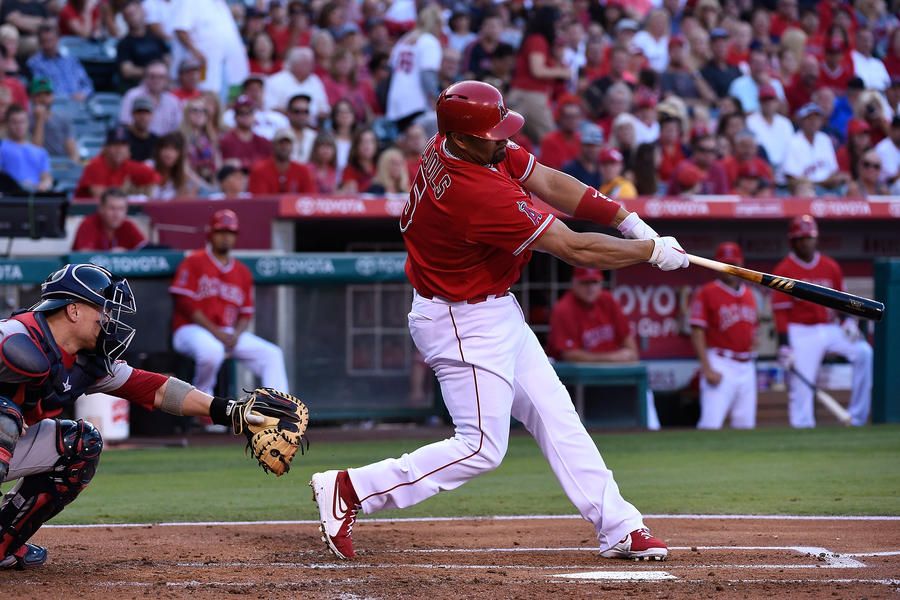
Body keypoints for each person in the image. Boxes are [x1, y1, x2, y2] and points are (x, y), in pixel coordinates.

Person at [309, 80, 689, 562]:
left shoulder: (462, 144)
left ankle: (618, 525)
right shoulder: (474, 193)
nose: (503, 139)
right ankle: (352, 488)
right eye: (493, 133)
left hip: (491, 307)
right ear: (463, 137)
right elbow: (573, 247)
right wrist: (651, 253)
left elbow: (550, 181)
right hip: (460, 320)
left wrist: (629, 221)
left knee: (557, 416)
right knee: (482, 447)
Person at [0, 262, 272, 569]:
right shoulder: (14, 336)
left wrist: (230, 412)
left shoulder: (87, 361)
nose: (109, 319)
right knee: (4, 417)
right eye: (103, 310)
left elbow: (155, 389)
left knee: (81, 444)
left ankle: (2, 546)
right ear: (73, 311)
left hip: (10, 449)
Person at [170, 209, 289, 399]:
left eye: (230, 233)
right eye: (221, 232)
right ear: (211, 233)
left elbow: (246, 314)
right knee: (212, 351)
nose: (226, 237)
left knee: (272, 354)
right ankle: (200, 401)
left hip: (228, 333)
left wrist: (236, 334)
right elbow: (186, 304)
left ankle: (278, 409)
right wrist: (216, 333)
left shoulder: (242, 272)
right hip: (190, 330)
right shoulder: (193, 261)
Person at [773, 215, 872, 428]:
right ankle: (802, 425)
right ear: (793, 241)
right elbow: (780, 312)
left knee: (864, 352)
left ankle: (857, 417)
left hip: (830, 327)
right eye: (801, 239)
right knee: (802, 383)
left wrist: (848, 322)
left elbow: (842, 301)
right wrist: (784, 344)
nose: (806, 242)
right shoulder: (784, 270)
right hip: (801, 331)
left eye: (809, 237)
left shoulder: (830, 266)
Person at [689, 242, 759, 430]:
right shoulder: (707, 292)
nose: (729, 269)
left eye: (733, 264)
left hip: (746, 365)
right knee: (711, 424)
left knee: (745, 426)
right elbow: (697, 332)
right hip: (720, 362)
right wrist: (707, 368)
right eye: (725, 263)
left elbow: (754, 328)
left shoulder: (750, 294)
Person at [385, 4, 442, 133]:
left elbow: (390, 70)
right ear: (437, 24)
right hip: (416, 102)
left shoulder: (403, 40)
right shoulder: (429, 41)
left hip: (395, 102)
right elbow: (427, 75)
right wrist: (437, 102)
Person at [172, 0, 249, 95]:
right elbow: (181, 30)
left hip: (225, 69)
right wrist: (196, 52)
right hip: (202, 68)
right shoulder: (190, 2)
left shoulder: (220, 4)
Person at [75, 126, 161, 198]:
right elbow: (100, 197)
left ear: (128, 149)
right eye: (115, 144)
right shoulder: (95, 165)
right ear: (105, 148)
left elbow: (158, 179)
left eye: (123, 145)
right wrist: (125, 191)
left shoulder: (128, 165)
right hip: (84, 214)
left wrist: (140, 189)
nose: (119, 149)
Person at [783, 103, 848, 195]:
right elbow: (791, 178)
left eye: (816, 118)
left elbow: (833, 170)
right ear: (801, 121)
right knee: (806, 190)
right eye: (809, 118)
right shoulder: (793, 142)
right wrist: (819, 183)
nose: (813, 122)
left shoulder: (825, 139)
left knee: (849, 186)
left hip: (828, 188)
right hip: (806, 189)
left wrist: (830, 181)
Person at [116, 0, 170, 92]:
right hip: (138, 88)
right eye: (129, 15)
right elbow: (127, 71)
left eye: (135, 13)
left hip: (162, 86)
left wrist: (163, 74)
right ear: (125, 19)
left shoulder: (155, 37)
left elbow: (167, 58)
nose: (133, 18)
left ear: (143, 12)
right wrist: (153, 73)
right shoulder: (124, 43)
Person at [264, 47, 329, 122]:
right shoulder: (275, 81)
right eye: (305, 63)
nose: (311, 67)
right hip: (283, 128)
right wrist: (296, 115)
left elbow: (324, 109)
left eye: (311, 63)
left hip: (313, 129)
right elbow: (270, 108)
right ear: (294, 64)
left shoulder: (315, 80)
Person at [746, 84, 795, 184]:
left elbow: (791, 149)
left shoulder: (785, 123)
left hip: (785, 171)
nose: (768, 103)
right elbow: (754, 150)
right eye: (764, 100)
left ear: (777, 102)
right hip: (762, 173)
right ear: (759, 102)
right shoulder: (750, 121)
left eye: (771, 99)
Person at [119, 62, 182, 136]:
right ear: (145, 77)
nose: (156, 80)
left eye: (161, 77)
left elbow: (177, 128)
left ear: (167, 80)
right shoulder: (132, 95)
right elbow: (125, 124)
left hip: (166, 144)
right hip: (138, 142)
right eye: (152, 76)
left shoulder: (173, 101)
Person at [72, 188, 147, 251]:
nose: (116, 214)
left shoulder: (128, 225)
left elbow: (145, 249)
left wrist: (126, 254)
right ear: (101, 208)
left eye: (121, 209)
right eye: (112, 208)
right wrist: (110, 256)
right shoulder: (88, 224)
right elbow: (83, 256)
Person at [0, 104, 52, 191]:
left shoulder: (40, 151)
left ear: (28, 123)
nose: (19, 126)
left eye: (22, 122)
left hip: (35, 196)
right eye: (14, 122)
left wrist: (45, 184)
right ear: (7, 124)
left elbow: (46, 177)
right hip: (10, 196)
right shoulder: (2, 147)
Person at [247, 128, 315, 194]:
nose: (284, 146)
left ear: (293, 146)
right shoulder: (259, 170)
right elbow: (258, 201)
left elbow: (309, 198)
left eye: (287, 143)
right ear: (273, 145)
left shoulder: (302, 171)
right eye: (281, 143)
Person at [27, 77, 79, 162]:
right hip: (37, 163)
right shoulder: (25, 121)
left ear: (53, 96)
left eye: (47, 94)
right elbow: (35, 150)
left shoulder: (63, 119)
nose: (43, 99)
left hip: (61, 163)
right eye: (39, 95)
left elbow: (72, 149)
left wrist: (73, 166)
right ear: (32, 98)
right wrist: (39, 120)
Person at [220, 95, 272, 170]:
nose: (245, 116)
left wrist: (242, 163)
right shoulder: (226, 141)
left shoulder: (263, 142)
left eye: (249, 112)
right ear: (235, 116)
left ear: (254, 115)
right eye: (241, 113)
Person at [538, 96, 583, 171]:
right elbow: (549, 172)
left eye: (576, 117)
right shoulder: (549, 141)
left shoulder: (581, 140)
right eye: (569, 117)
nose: (572, 121)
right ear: (560, 118)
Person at [561, 122, 603, 188]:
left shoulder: (603, 168)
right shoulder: (570, 169)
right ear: (581, 145)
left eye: (595, 145)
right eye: (588, 145)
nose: (592, 149)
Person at [125, 96, 159, 163]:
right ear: (132, 114)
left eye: (146, 112)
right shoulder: (123, 139)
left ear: (152, 115)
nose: (143, 116)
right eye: (139, 112)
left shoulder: (156, 141)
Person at [285, 93, 316, 163]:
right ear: (288, 113)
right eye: (297, 112)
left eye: (305, 112)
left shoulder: (313, 136)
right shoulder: (282, 135)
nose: (301, 116)